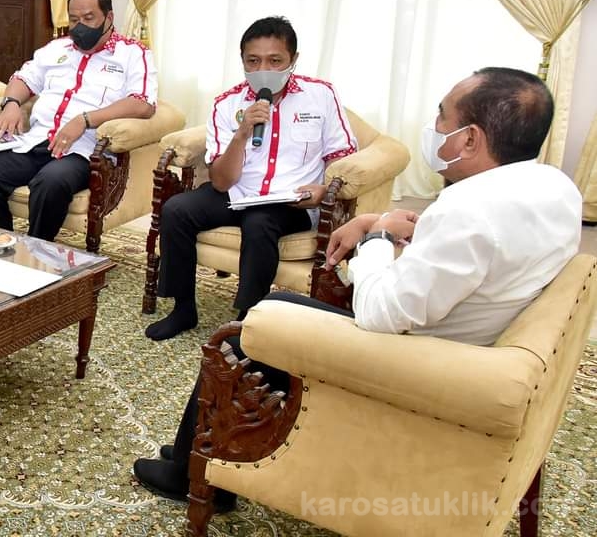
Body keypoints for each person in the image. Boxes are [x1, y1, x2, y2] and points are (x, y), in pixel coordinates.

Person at [133, 66, 582, 503]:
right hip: (462, 345)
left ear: (470, 139)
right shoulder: (553, 187)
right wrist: (381, 221)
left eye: (443, 115)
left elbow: (380, 313)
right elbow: (475, 250)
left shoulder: (468, 210)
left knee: (248, 331)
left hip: (413, 360)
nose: (434, 126)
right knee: (276, 308)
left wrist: (377, 239)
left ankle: (192, 476)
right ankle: (205, 448)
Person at [145, 16, 356, 341]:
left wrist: (324, 190)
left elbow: (342, 157)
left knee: (259, 223)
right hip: (239, 192)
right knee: (177, 209)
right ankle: (183, 308)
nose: (263, 69)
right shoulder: (227, 103)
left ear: (293, 60)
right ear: (242, 61)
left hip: (291, 202)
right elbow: (221, 182)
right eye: (253, 61)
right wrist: (242, 133)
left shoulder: (321, 96)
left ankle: (247, 321)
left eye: (275, 61)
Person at [0, 0, 158, 241]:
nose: (80, 27)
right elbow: (23, 79)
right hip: (38, 140)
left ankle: (36, 248)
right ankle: (0, 243)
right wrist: (11, 103)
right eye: (74, 20)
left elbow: (143, 103)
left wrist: (85, 120)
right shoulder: (56, 48)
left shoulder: (132, 54)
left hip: (82, 151)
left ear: (109, 18)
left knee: (50, 182)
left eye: (89, 18)